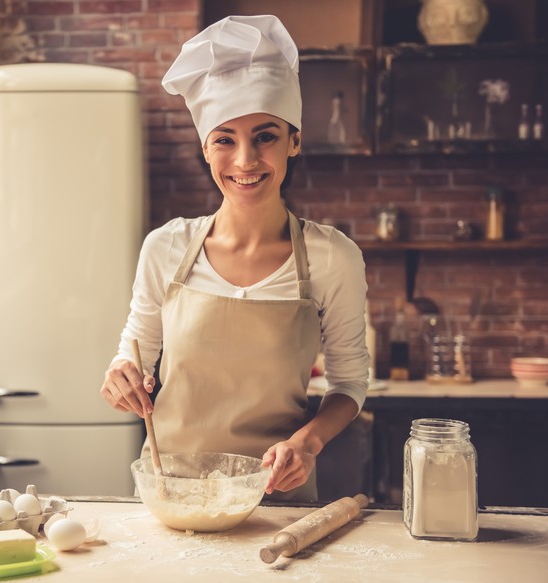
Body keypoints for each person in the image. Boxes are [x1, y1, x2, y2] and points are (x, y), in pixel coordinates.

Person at [99, 15, 369, 502]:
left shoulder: (333, 258)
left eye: (265, 136)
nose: (245, 160)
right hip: (172, 491)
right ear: (206, 149)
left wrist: (307, 443)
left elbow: (349, 385)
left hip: (277, 496)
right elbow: (136, 352)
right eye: (225, 139)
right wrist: (121, 375)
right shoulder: (166, 248)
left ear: (295, 141)